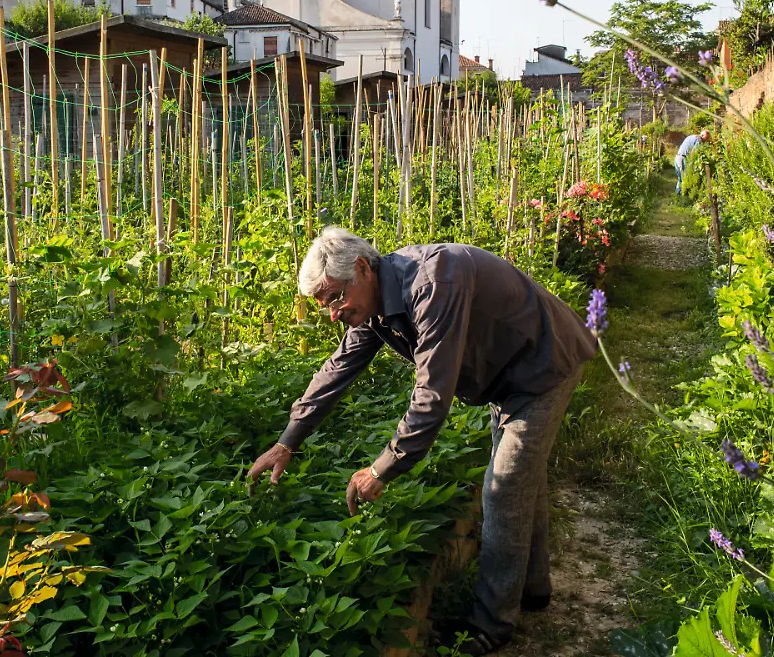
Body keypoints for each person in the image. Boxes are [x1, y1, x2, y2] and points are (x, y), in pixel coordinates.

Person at [247, 228, 598, 655]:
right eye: (326, 307)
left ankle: (492, 625)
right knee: (521, 481)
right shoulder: (373, 305)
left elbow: (432, 396)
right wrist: (288, 442)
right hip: (506, 372)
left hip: (543, 364)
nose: (335, 314)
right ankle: (533, 590)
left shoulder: (433, 283)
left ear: (362, 269)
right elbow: (337, 370)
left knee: (505, 486)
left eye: (336, 298)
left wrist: (382, 469)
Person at [674, 129, 711, 194]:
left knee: (680, 179)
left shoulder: (691, 137)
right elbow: (693, 153)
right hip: (683, 159)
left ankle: (678, 196)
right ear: (702, 135)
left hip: (677, 157)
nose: (706, 141)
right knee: (684, 179)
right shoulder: (698, 139)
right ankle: (682, 197)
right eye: (706, 138)